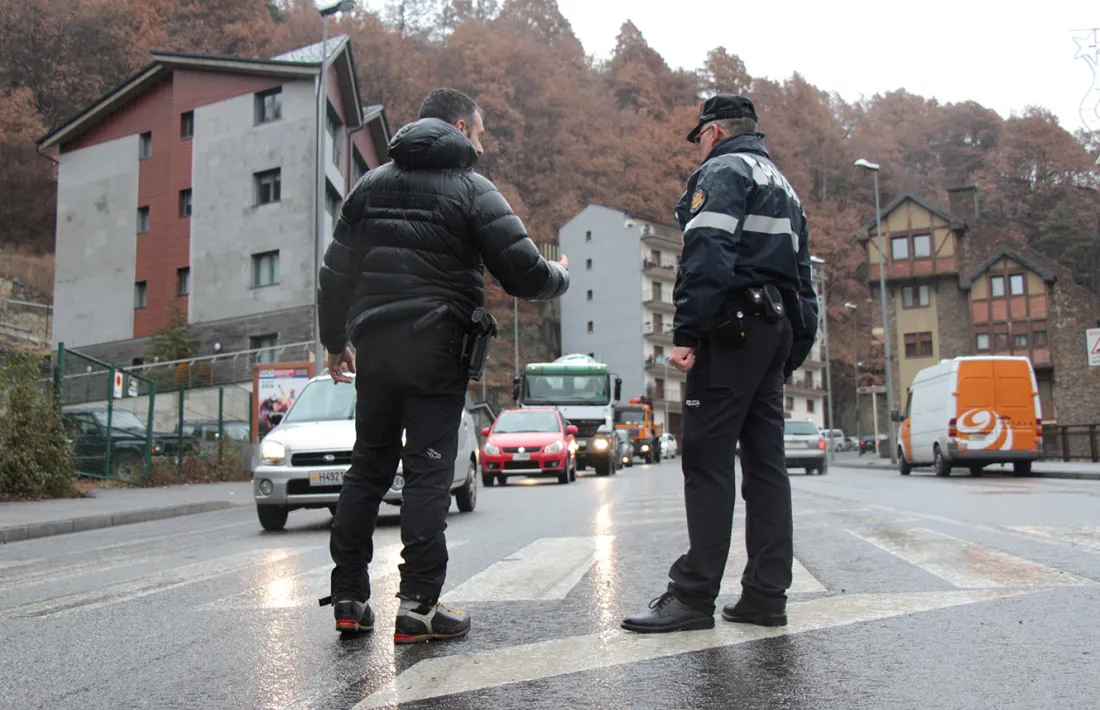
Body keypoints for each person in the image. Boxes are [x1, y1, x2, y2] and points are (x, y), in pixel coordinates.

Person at [316, 88, 570, 643]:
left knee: (369, 467)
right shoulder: (471, 189)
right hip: (436, 349)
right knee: (429, 470)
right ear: (459, 126)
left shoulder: (369, 185)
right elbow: (525, 273)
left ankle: (349, 598)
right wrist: (562, 273)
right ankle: (418, 606)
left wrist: (335, 342)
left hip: (377, 347)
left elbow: (335, 273)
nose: (480, 143)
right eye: (478, 133)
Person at [621, 94, 818, 634]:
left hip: (732, 327)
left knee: (706, 457)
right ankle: (765, 595)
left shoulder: (724, 170)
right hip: (773, 332)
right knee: (765, 466)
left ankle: (693, 595)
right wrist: (793, 348)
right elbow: (803, 282)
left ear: (712, 132)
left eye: (699, 138)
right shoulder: (784, 187)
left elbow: (707, 249)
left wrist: (687, 331)